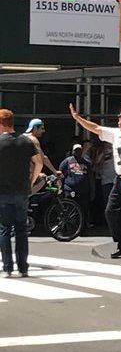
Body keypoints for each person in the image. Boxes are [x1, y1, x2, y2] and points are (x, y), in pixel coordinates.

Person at [69, 104, 121, 260]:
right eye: (119, 120)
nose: (119, 123)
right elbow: (95, 128)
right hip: (119, 179)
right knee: (111, 212)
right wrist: (77, 118)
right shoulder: (117, 134)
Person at [0, 109, 38, 277]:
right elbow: (38, 162)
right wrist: (32, 180)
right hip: (22, 190)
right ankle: (23, 267)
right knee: (22, 230)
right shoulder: (25, 141)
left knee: (5, 229)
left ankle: (8, 267)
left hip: (3, 191)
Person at [59, 142, 92, 225]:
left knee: (83, 210)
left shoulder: (86, 163)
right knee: (69, 210)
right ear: (72, 151)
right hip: (70, 190)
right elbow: (60, 174)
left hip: (83, 191)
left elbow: (90, 177)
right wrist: (60, 188)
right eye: (76, 150)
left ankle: (82, 229)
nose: (78, 152)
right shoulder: (67, 161)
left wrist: (92, 190)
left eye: (80, 150)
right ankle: (67, 228)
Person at [24, 118, 61, 184]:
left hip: (15, 172)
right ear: (35, 128)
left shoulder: (21, 137)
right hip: (25, 175)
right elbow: (42, 158)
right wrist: (55, 171)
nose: (44, 131)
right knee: (41, 181)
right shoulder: (33, 139)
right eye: (42, 128)